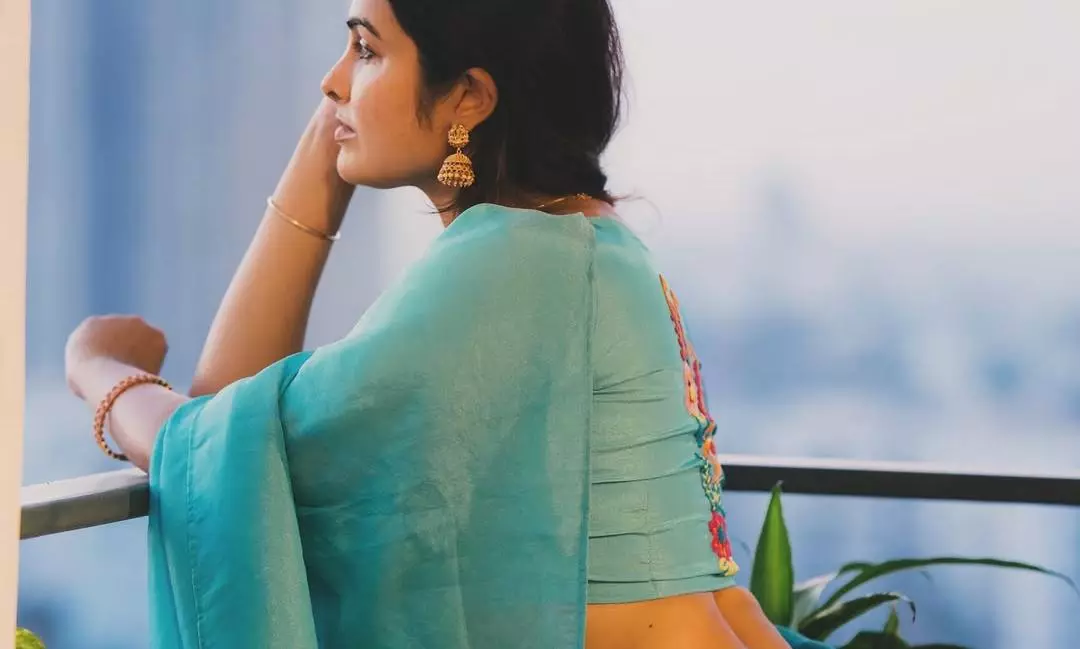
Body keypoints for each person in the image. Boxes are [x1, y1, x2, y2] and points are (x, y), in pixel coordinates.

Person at [64, 1, 828, 647]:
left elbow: (227, 445)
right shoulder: (586, 241)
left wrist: (99, 369)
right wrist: (325, 153)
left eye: (366, 50)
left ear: (468, 97)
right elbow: (236, 438)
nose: (331, 83)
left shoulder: (514, 261)